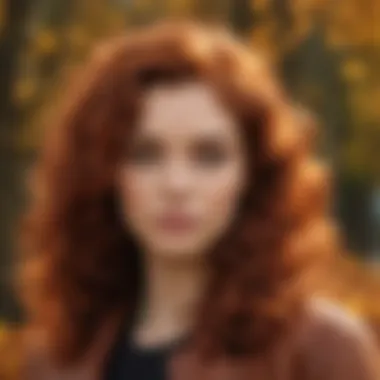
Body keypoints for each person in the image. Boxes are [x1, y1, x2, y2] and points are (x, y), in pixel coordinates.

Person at [17, 21, 379, 380]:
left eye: (209, 156)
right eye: (145, 154)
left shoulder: (321, 351)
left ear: (253, 175)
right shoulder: (55, 358)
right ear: (103, 172)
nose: (176, 184)